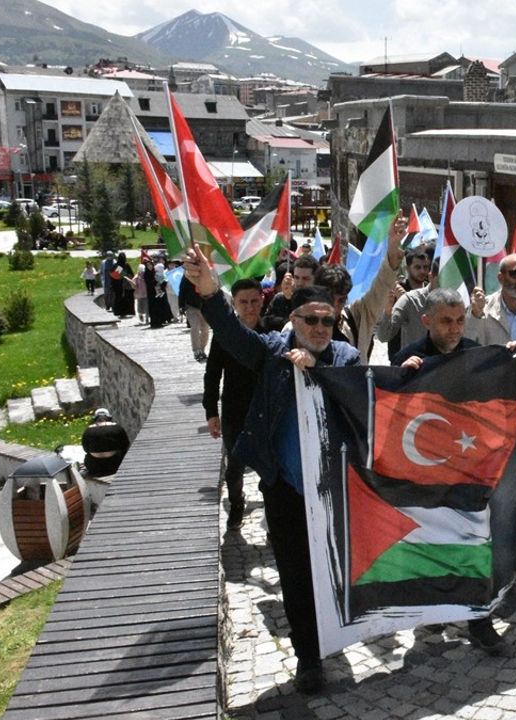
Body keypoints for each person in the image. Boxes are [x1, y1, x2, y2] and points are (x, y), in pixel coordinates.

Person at [183, 241, 358, 695]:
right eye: (311, 320)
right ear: (291, 320)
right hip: (283, 487)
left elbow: (356, 399)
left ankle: (335, 631)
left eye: (328, 321)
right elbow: (232, 334)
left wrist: (316, 365)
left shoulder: (345, 357)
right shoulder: (270, 350)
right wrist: (209, 292)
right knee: (296, 573)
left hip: (332, 488)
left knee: (333, 571)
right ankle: (308, 658)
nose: (321, 327)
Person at [388, 287, 506, 653]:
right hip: (425, 472)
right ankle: (434, 610)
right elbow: (387, 414)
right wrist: (399, 379)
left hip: (471, 472)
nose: (454, 329)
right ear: (426, 321)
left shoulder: (476, 354)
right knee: (431, 544)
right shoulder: (409, 359)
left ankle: (478, 620)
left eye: (459, 320)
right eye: (445, 321)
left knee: (474, 543)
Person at [204, 278, 264, 530]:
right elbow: (212, 374)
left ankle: (272, 514)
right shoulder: (223, 336)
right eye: (243, 302)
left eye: (254, 301)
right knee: (235, 467)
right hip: (234, 410)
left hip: (265, 409)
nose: (249, 307)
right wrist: (211, 412)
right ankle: (237, 504)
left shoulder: (272, 329)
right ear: (234, 304)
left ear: (262, 300)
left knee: (269, 466)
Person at [311, 210, 408, 357]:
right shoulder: (299, 326)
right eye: (330, 299)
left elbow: (382, 284)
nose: (336, 306)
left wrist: (393, 246)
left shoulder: (356, 317)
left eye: (341, 300)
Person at [378, 257, 437, 355]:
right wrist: (388, 311)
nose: (422, 271)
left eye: (425, 267)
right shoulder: (408, 298)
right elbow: (384, 336)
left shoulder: (457, 299)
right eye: (417, 267)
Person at [264, 255, 318, 331]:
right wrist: (288, 300)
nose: (300, 283)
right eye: (296, 277)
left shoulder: (321, 304)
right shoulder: (280, 298)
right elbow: (267, 322)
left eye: (305, 279)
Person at [81, 408, 130, 478]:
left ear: (95, 419)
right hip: (116, 464)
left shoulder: (88, 431)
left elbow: (85, 449)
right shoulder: (117, 428)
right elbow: (125, 445)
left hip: (94, 466)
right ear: (109, 417)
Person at [111, 253, 135, 318]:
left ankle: (119, 312)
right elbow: (131, 275)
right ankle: (127, 312)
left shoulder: (115, 266)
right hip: (126, 286)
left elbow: (113, 277)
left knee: (118, 299)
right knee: (127, 299)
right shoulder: (126, 265)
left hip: (118, 287)